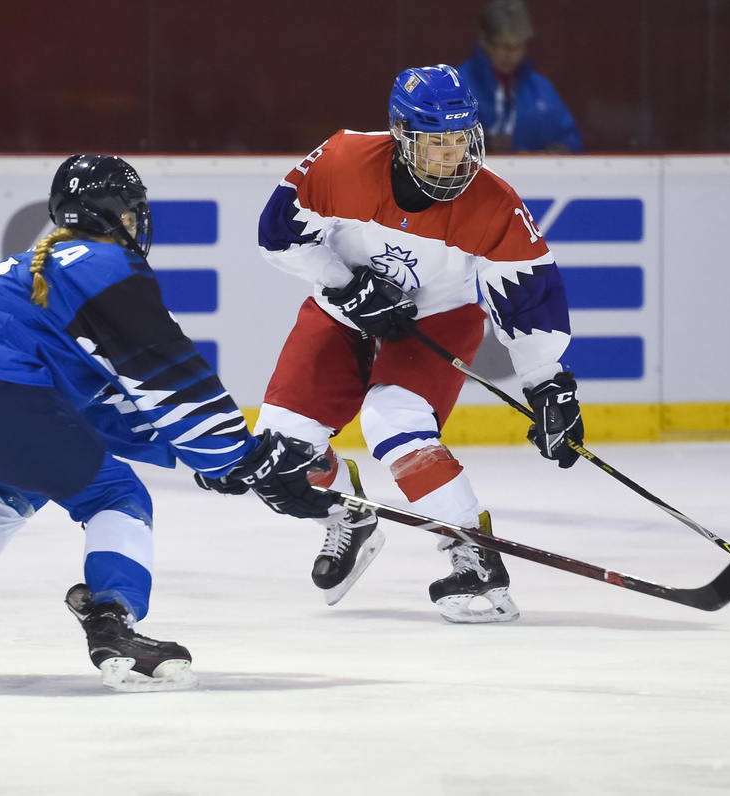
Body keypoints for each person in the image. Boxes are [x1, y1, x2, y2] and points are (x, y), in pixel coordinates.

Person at [0, 154, 335, 692]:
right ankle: (114, 623)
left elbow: (87, 412)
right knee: (115, 494)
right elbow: (166, 374)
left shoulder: (22, 280)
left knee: (25, 475)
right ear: (127, 217)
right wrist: (241, 457)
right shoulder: (102, 265)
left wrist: (213, 460)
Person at [248, 64, 584, 623]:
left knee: (391, 418)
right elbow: (278, 234)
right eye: (436, 141)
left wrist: (548, 381)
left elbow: (528, 295)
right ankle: (347, 514)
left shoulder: (493, 202)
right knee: (280, 453)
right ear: (403, 136)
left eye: (461, 138)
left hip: (436, 319)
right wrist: (347, 285)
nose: (453, 155)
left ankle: (473, 557)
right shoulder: (344, 159)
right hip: (341, 312)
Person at [457, 0, 582, 154]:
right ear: (485, 42)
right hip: (480, 176)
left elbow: (570, 137)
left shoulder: (540, 88)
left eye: (518, 46)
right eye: (503, 46)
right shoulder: (459, 86)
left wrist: (560, 150)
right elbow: (440, 141)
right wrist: (481, 144)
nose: (510, 55)